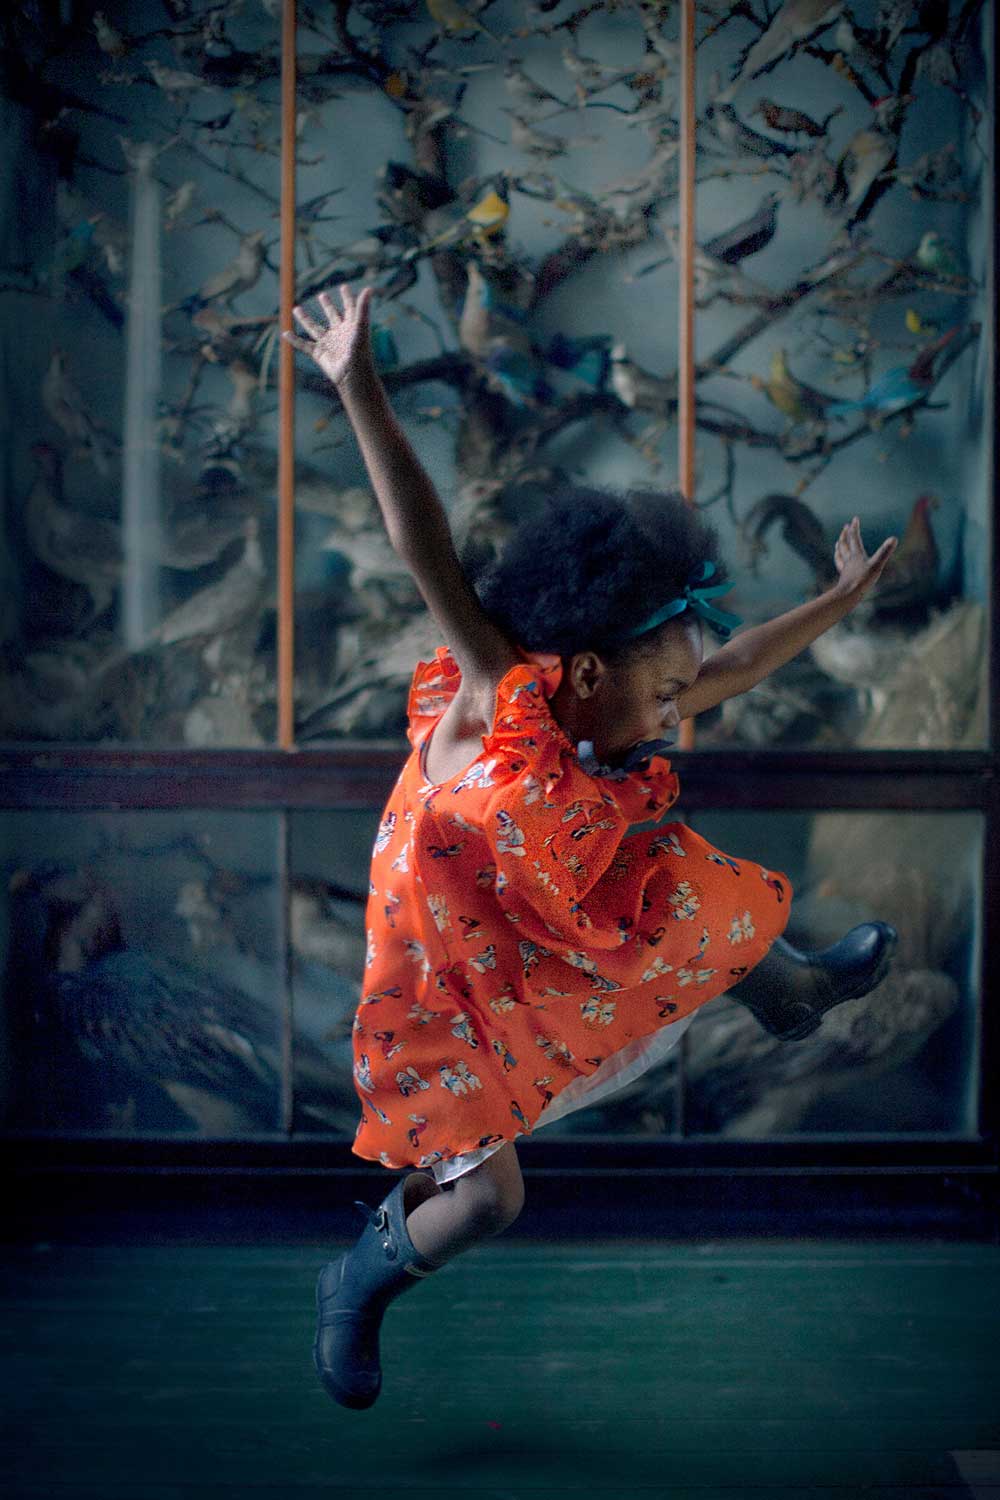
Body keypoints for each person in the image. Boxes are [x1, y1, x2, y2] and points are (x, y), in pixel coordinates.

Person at [283, 284, 900, 1411]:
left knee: (671, 870)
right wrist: (356, 379)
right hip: (438, 985)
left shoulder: (599, 728)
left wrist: (837, 601)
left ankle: (790, 989)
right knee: (486, 1204)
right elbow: (415, 535)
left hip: (527, 928)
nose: (675, 715)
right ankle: (359, 1278)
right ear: (582, 671)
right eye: (661, 694)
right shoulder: (493, 695)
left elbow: (739, 663)